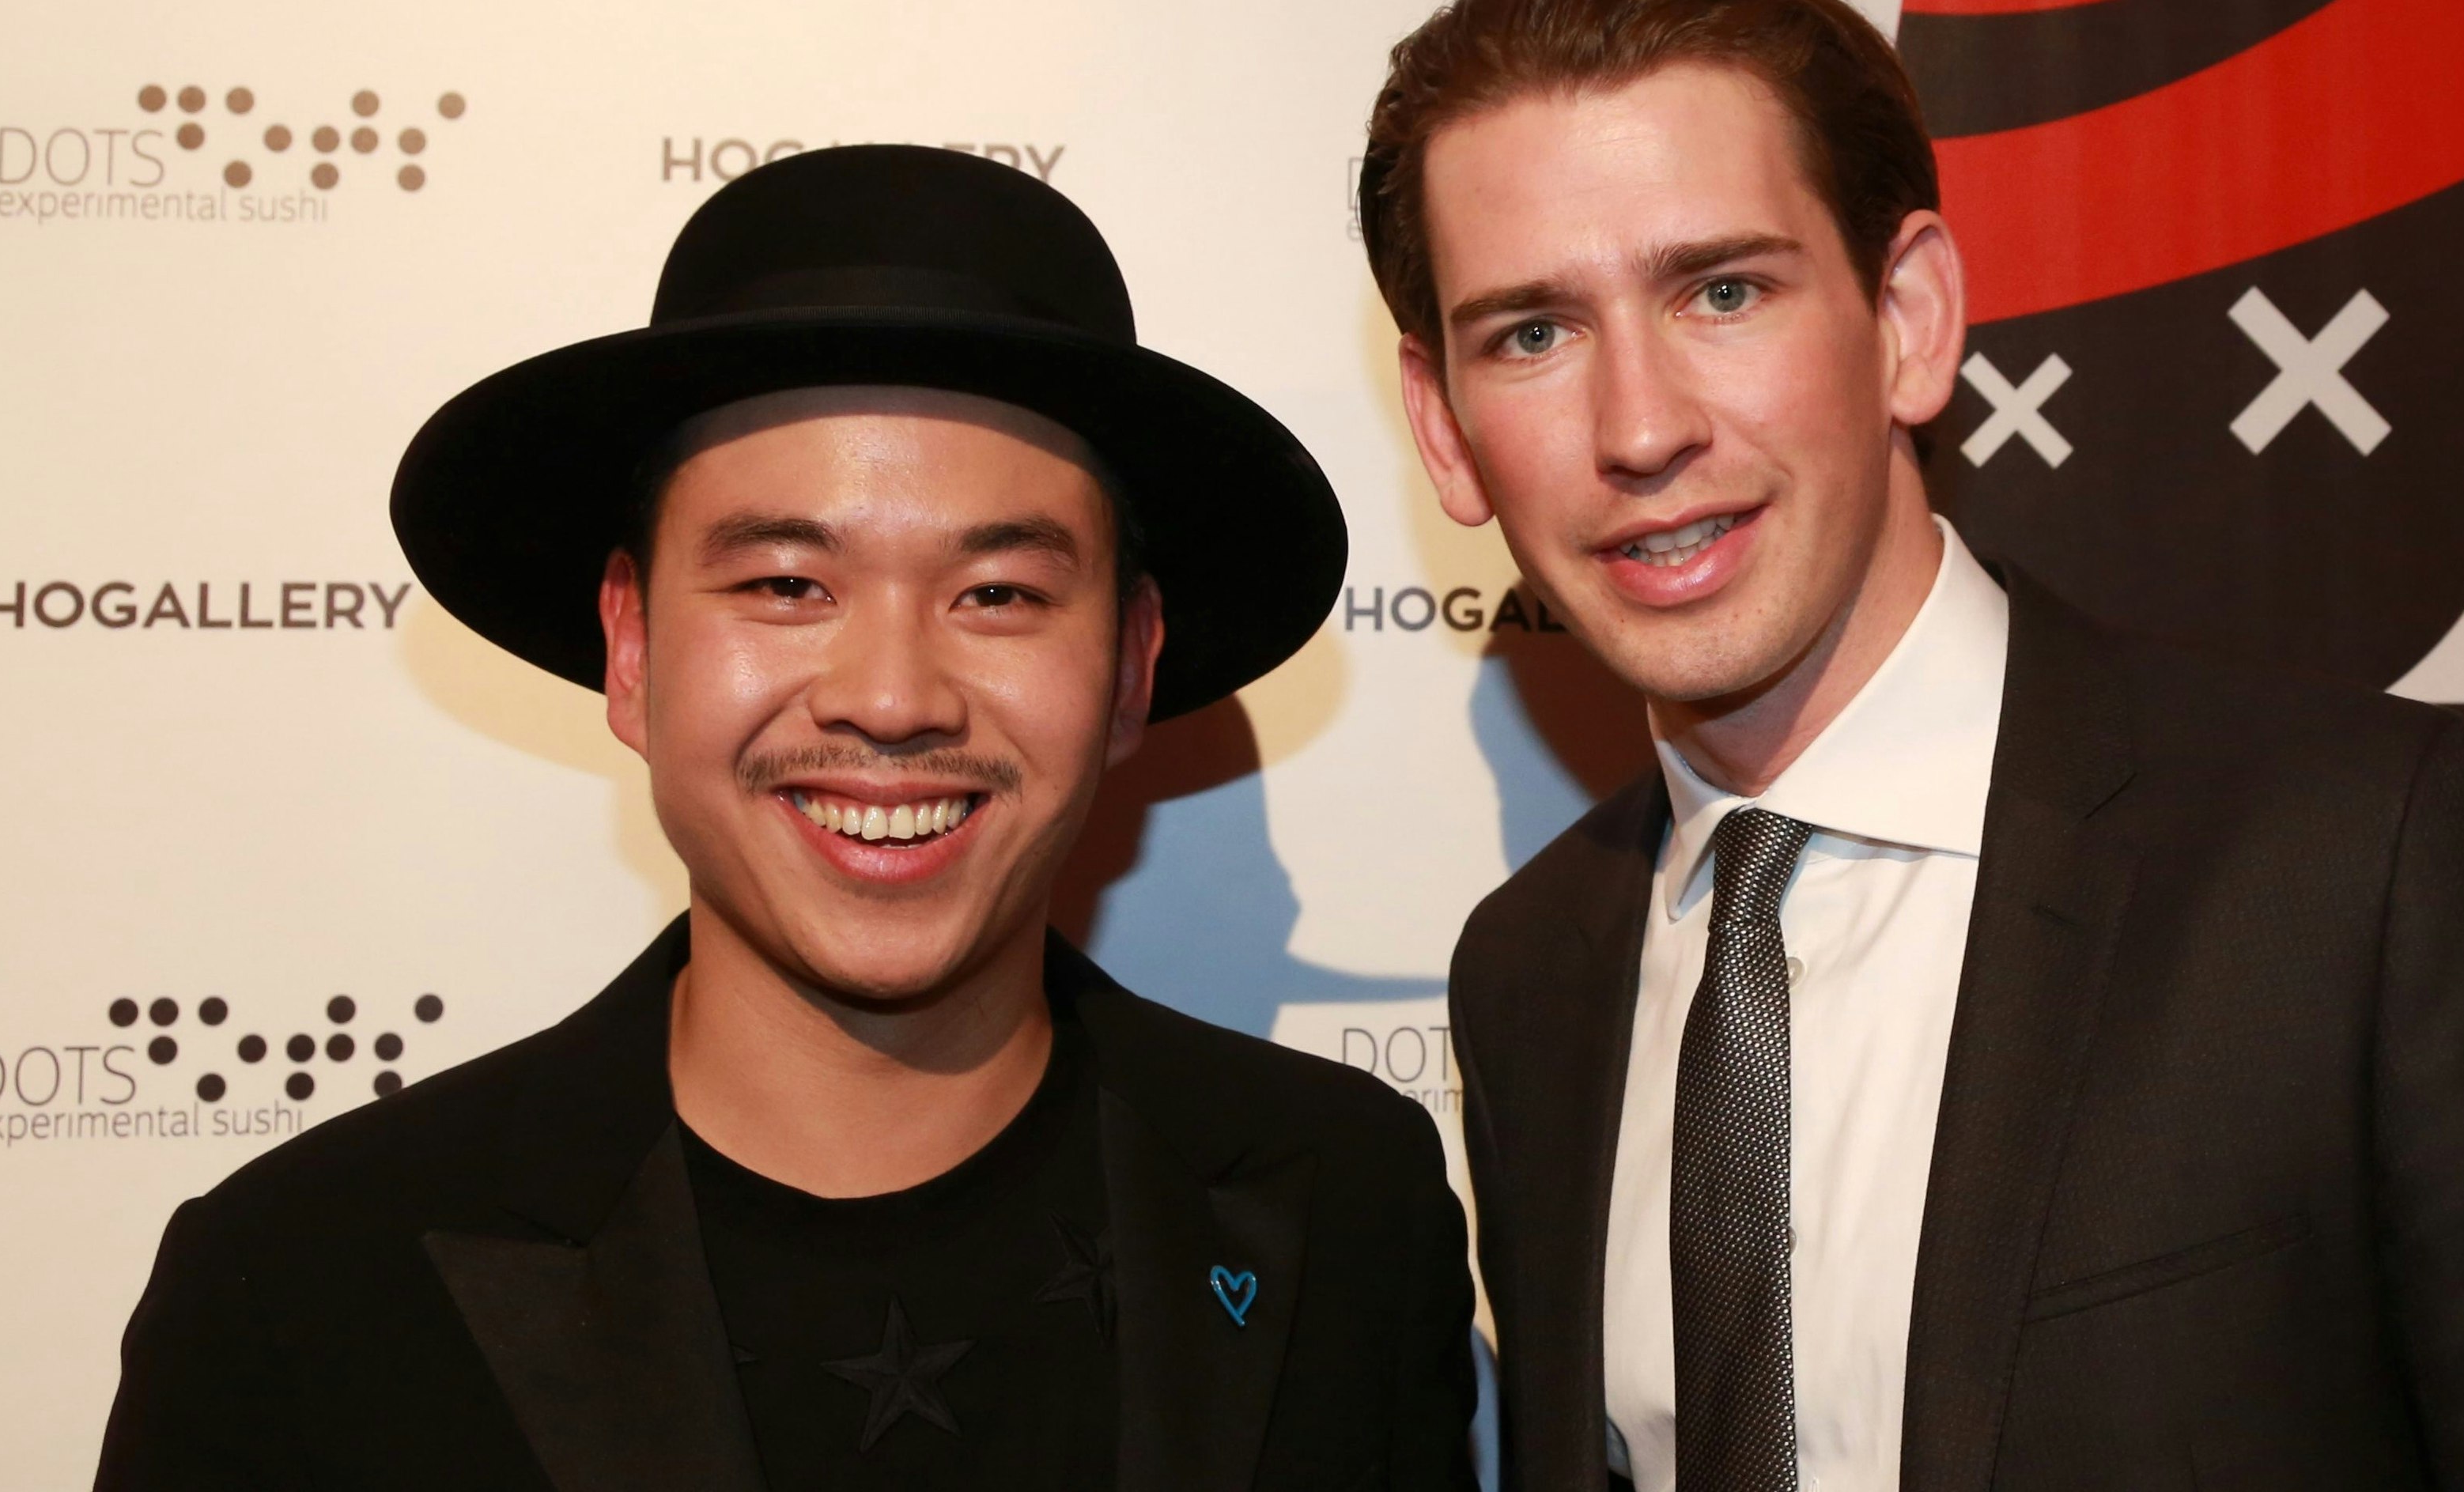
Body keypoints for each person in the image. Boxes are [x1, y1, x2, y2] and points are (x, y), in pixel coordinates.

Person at [1362, 0, 2464, 1490]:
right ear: (1445, 428)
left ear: (1908, 318)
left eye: (1723, 290)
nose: (1638, 426)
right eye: (1533, 335)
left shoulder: (2365, 865)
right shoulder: (1534, 971)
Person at [96, 145, 1476, 1491]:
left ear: (1128, 669)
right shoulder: (302, 1288)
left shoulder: (1352, 1210)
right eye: (784, 586)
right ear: (632, 648)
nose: (891, 698)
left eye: (998, 595)